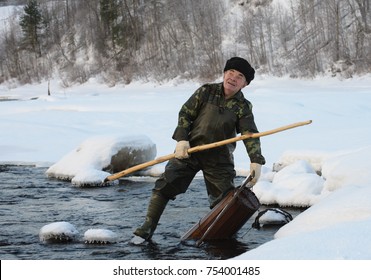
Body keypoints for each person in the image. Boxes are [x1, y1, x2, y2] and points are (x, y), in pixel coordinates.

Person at [131, 57, 265, 244]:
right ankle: (145, 230)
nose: (233, 78)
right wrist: (182, 140)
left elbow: (249, 134)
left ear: (245, 84)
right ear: (224, 73)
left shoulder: (243, 106)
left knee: (226, 203)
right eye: (231, 72)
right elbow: (185, 113)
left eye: (240, 76)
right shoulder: (206, 91)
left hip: (219, 159)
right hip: (190, 151)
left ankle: (221, 239)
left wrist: (255, 160)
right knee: (164, 186)